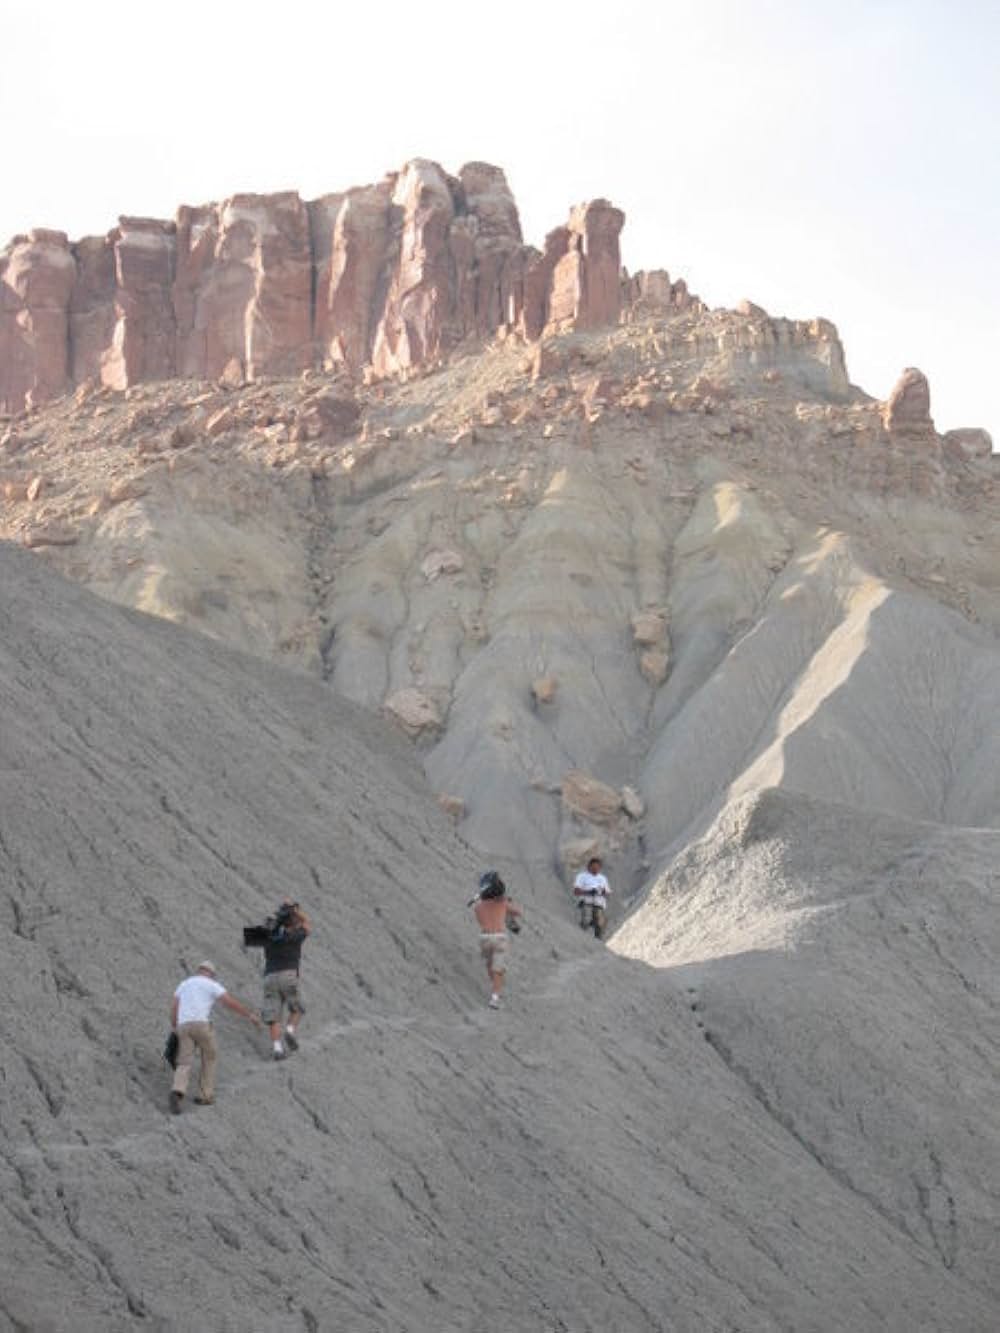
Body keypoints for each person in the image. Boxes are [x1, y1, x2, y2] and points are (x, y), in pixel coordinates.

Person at [169, 961, 260, 1114]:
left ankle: (177, 1092)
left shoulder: (184, 984)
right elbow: (229, 1002)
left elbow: (174, 1007)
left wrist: (175, 1027)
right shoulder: (211, 984)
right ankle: (205, 1095)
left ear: (199, 970)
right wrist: (249, 1015)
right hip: (201, 1025)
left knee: (184, 1061)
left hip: (183, 1026)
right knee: (210, 1056)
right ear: (210, 973)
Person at [262, 899, 311, 1060]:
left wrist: (278, 918)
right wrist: (294, 910)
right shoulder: (294, 936)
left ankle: (277, 1049)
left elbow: (259, 933)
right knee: (297, 1007)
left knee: (274, 1016)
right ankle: (289, 1030)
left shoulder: (269, 937)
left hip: (269, 977)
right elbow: (307, 924)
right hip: (288, 975)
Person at [472, 871, 523, 1009]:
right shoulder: (502, 903)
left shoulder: (478, 907)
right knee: (498, 970)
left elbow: (481, 919)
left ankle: (495, 985)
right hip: (499, 938)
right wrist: (506, 902)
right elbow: (518, 912)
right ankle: (495, 998)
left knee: (490, 966)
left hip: (484, 939)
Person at [574, 855, 612, 940]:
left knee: (600, 926)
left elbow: (608, 893)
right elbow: (576, 891)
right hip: (587, 903)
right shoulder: (582, 876)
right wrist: (588, 892)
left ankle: (597, 943)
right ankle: (581, 939)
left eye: (597, 867)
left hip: (599, 905)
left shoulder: (603, 878)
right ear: (589, 866)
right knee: (585, 922)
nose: (595, 869)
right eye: (593, 867)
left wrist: (603, 892)